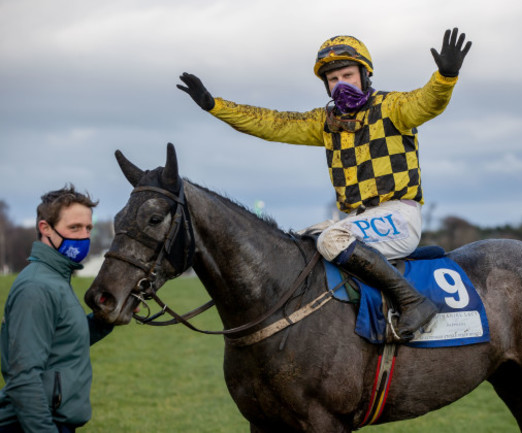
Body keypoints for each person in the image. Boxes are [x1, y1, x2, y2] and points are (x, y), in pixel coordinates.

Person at [177, 28, 471, 341]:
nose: (341, 83)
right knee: (297, 242)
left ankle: (413, 301)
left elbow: (428, 103)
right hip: (358, 220)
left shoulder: (393, 108)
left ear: (364, 74)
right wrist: (214, 105)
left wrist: (445, 75)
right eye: (333, 79)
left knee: (330, 241)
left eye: (347, 74)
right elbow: (272, 123)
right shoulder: (325, 122)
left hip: (399, 216)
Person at [0, 185, 114, 433]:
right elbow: (23, 377)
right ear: (45, 228)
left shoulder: (56, 278)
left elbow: (63, 341)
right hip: (32, 425)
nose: (83, 236)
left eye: (88, 229)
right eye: (74, 228)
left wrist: (107, 318)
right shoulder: (36, 287)